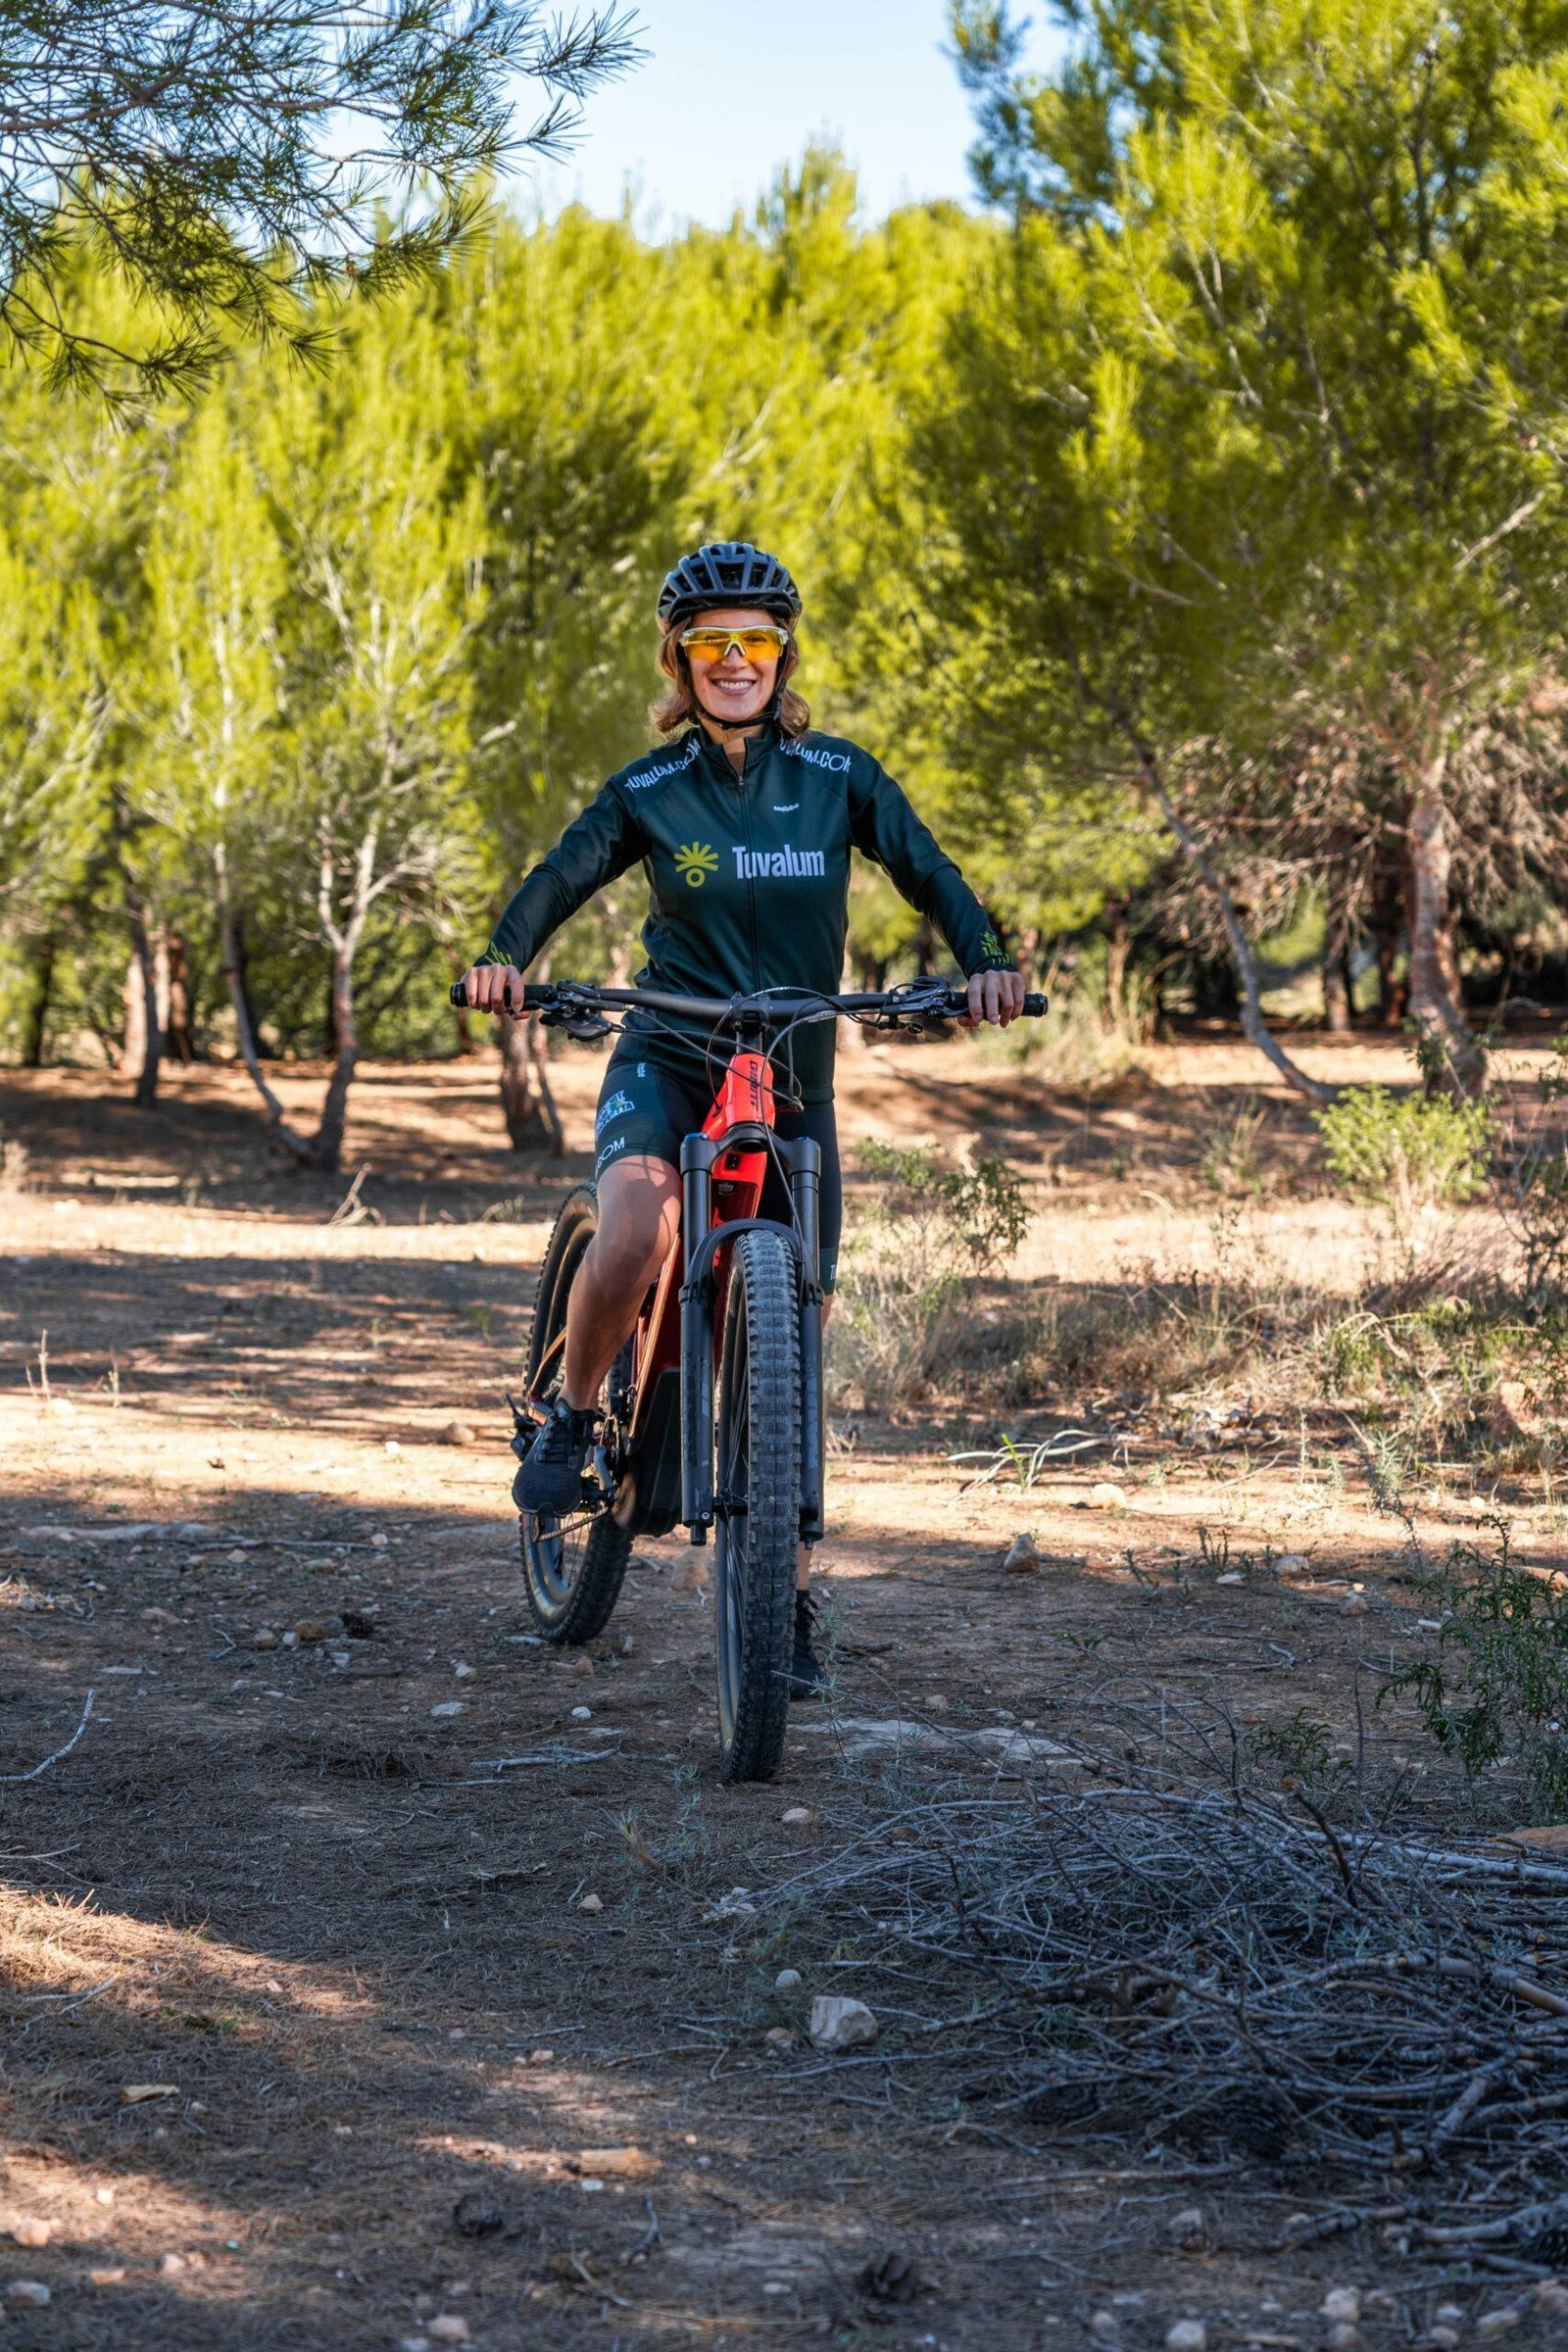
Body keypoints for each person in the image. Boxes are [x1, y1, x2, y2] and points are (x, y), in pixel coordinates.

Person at [461, 540, 1025, 1695]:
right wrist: (503, 958)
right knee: (634, 1233)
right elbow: (558, 876)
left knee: (794, 1340)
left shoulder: (838, 775)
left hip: (792, 1075)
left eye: (755, 641)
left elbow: (929, 870)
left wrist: (986, 963)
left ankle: (787, 1599)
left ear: (782, 656)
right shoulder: (650, 790)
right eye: (710, 642)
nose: (733, 661)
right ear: (679, 658)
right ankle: (571, 1420)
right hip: (667, 1055)